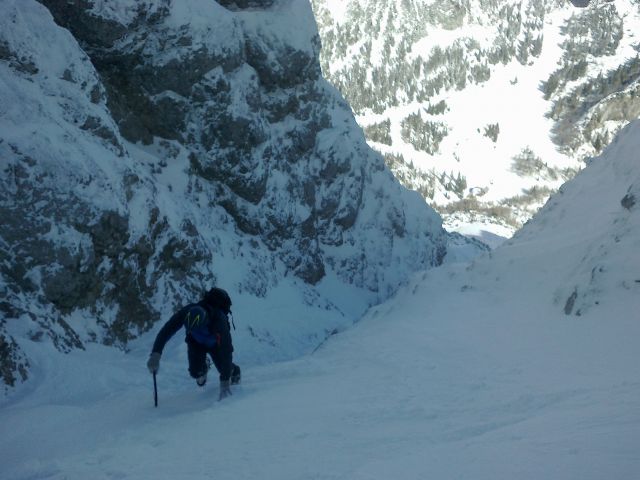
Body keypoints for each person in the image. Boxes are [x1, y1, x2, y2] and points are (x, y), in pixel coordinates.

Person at [146, 287, 241, 400]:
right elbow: (166, 331)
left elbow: (226, 351)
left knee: (226, 370)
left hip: (216, 345)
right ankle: (204, 366)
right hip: (195, 343)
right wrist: (155, 355)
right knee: (195, 373)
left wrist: (225, 382)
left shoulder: (219, 321)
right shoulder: (187, 311)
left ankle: (235, 370)